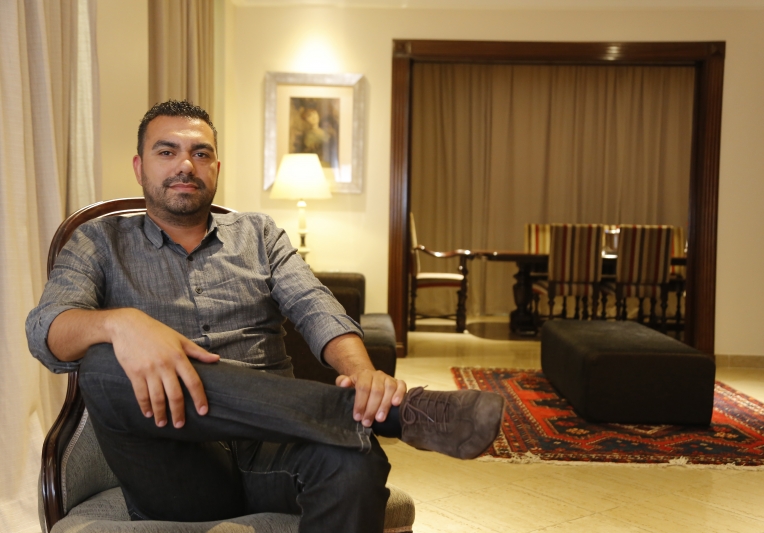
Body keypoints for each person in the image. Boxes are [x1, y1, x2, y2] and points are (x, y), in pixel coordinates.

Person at [26, 100, 504, 532]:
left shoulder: (259, 234)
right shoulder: (99, 242)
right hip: (174, 464)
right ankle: (383, 414)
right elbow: (45, 330)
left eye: (200, 153)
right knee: (102, 363)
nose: (185, 165)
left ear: (216, 167)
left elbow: (315, 305)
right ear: (139, 166)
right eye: (166, 152)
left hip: (273, 446)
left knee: (356, 455)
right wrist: (121, 323)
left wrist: (363, 375)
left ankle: (353, 415)